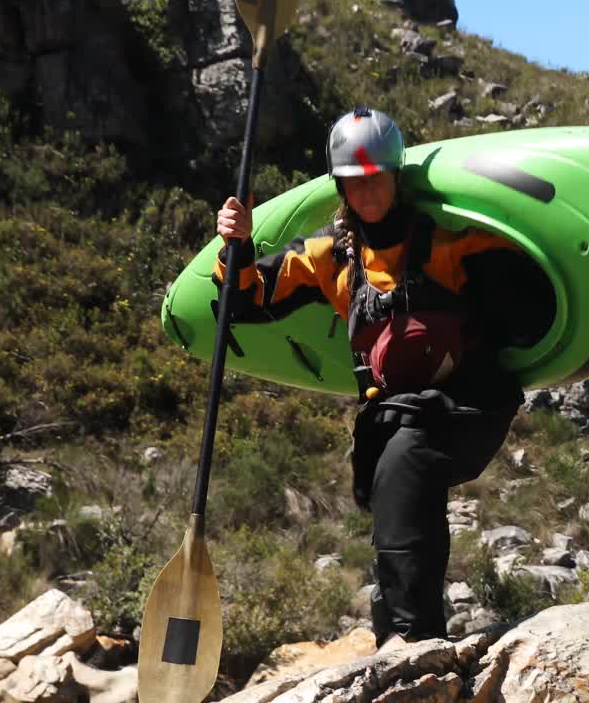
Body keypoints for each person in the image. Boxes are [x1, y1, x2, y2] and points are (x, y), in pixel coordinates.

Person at [214, 106, 550, 648]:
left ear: (395, 176)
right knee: (393, 488)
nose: (366, 192)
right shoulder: (331, 256)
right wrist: (239, 244)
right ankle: (395, 633)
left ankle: (415, 643)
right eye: (353, 182)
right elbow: (247, 297)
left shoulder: (448, 242)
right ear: (340, 186)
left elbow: (535, 289)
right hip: (394, 415)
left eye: (375, 180)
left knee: (405, 464)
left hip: (468, 406)